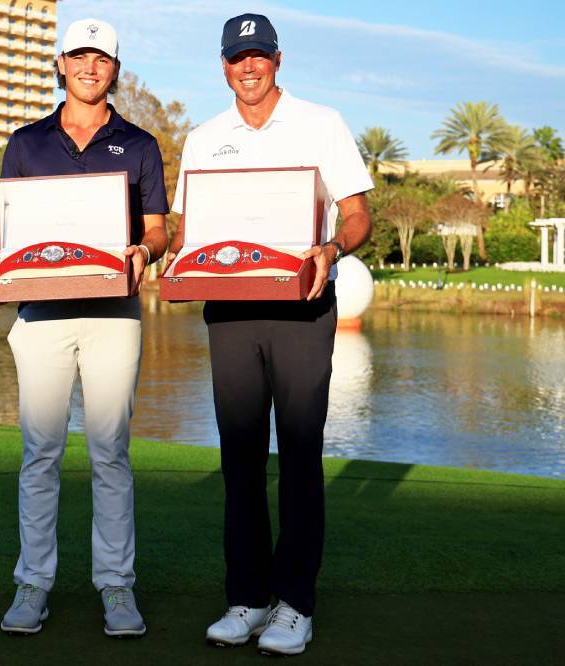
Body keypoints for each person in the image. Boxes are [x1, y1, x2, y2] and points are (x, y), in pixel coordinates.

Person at [169, 13, 373, 656]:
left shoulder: (322, 122)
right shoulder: (204, 138)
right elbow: (186, 229)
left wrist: (332, 248)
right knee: (240, 459)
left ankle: (295, 605)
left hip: (303, 308)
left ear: (277, 59)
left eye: (258, 55)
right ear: (223, 66)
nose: (249, 67)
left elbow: (358, 214)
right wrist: (165, 255)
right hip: (230, 310)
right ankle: (248, 599)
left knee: (302, 456)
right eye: (238, 57)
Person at [0, 18, 169, 637]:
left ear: (116, 70)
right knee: (41, 453)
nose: (91, 67)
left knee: (110, 451)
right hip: (40, 317)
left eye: (102, 59)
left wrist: (145, 250)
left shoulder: (139, 144)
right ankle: (33, 583)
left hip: (114, 315)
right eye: (80, 56)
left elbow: (158, 228)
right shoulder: (25, 143)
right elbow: (5, 222)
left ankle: (117, 586)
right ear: (60, 64)